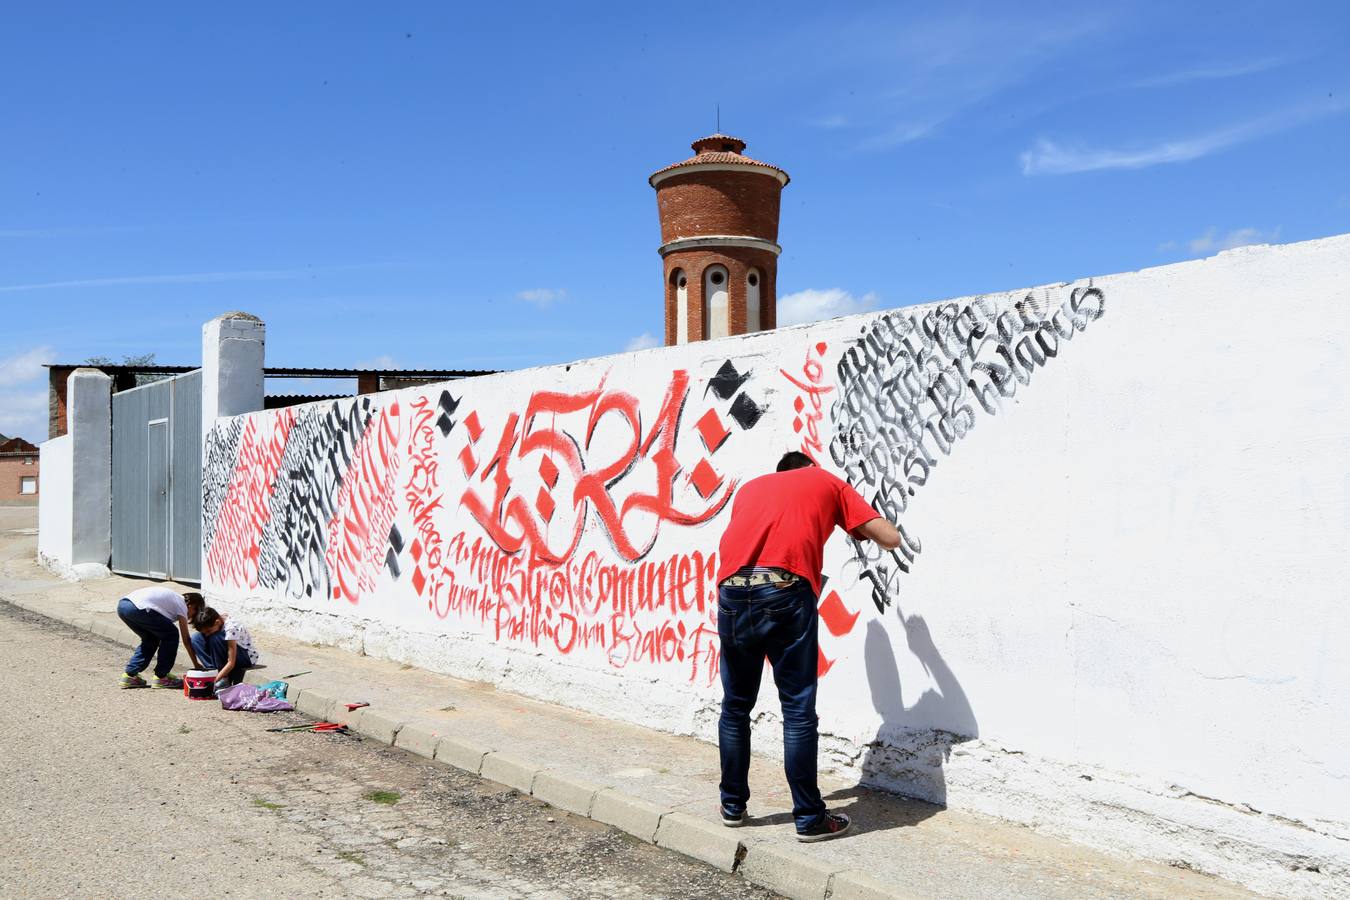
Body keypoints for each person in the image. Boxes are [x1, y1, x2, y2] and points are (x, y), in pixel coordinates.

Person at [715, 451, 901, 842]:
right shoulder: (823, 480)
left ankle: (732, 805)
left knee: (735, 706)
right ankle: (809, 818)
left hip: (732, 591)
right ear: (809, 468)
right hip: (784, 590)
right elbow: (890, 538)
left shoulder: (750, 488)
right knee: (797, 710)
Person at [117, 586, 204, 689]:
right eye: (196, 611)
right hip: (139, 608)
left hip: (123, 606)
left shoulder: (173, 601)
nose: (191, 617)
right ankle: (162, 677)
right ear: (191, 605)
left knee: (151, 639)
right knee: (171, 634)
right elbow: (186, 640)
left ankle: (129, 676)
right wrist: (196, 664)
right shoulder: (182, 605)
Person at [190, 606, 261, 693]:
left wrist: (214, 681)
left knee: (214, 638)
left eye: (208, 631)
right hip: (225, 653)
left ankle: (222, 678)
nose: (207, 635)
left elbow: (231, 662)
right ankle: (213, 671)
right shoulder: (216, 621)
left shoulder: (231, 628)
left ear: (217, 622)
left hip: (245, 657)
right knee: (196, 638)